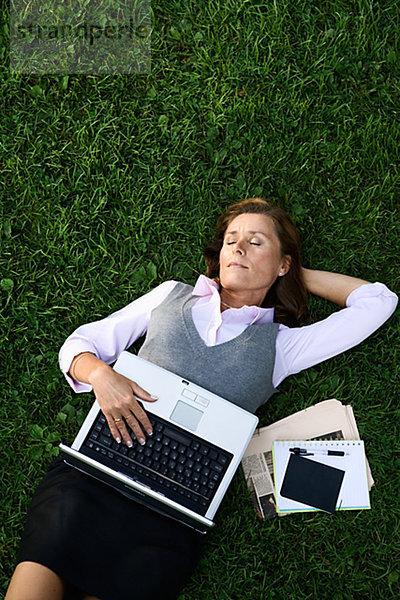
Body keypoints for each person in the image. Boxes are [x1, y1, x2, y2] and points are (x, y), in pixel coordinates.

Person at [6, 198, 397, 600]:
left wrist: (296, 273)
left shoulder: (282, 345)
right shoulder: (170, 296)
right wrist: (102, 376)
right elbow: (79, 346)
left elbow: (378, 302)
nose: (238, 249)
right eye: (231, 240)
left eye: (256, 242)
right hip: (94, 477)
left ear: (283, 264)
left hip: (173, 512)